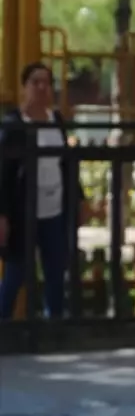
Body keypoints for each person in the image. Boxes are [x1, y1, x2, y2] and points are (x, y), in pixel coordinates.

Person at [0, 61, 72, 320]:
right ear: (24, 87)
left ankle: (54, 327)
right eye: (35, 82)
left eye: (47, 83)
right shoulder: (13, 125)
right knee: (15, 273)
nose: (42, 88)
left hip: (54, 211)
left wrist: (78, 199)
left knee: (55, 272)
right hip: (23, 212)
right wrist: (3, 215)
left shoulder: (57, 121)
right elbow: (4, 175)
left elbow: (67, 163)